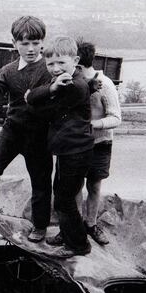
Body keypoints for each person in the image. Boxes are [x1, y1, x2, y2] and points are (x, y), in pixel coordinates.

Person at [0, 15, 54, 243]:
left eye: (36, 43)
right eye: (25, 43)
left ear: (43, 43)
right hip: (13, 130)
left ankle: (40, 225)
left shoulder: (50, 69)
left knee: (40, 181)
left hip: (39, 134)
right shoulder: (8, 70)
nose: (30, 49)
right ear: (14, 44)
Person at [26, 36, 94, 258]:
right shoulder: (65, 81)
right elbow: (39, 97)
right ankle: (67, 234)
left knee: (64, 200)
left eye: (61, 63)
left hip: (76, 152)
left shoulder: (75, 86)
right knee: (63, 195)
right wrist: (46, 91)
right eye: (50, 64)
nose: (55, 69)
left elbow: (43, 109)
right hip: (68, 151)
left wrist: (32, 97)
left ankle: (79, 245)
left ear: (75, 61)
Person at [76, 40, 121, 246]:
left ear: (78, 63)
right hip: (75, 144)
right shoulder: (71, 82)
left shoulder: (106, 84)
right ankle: (74, 227)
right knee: (74, 186)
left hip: (100, 144)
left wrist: (94, 124)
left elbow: (116, 118)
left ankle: (91, 224)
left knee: (93, 186)